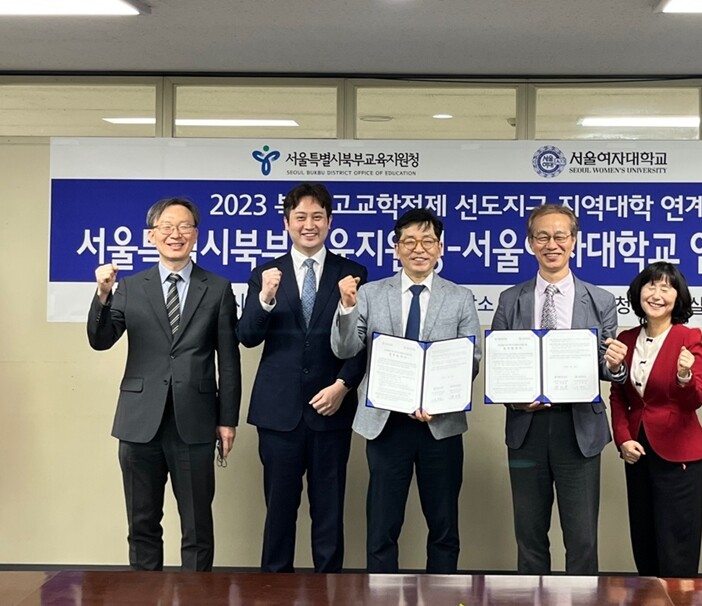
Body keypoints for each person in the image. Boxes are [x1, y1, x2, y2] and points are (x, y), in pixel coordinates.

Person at [87, 197, 241, 571]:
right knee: (142, 524)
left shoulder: (217, 288)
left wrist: (227, 420)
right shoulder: (130, 287)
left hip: (195, 420)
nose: (176, 234)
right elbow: (100, 339)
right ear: (151, 236)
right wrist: (103, 294)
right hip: (140, 422)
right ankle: (144, 594)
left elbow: (229, 361)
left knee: (198, 526)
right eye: (167, 227)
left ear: (196, 235)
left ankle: (197, 596)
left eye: (185, 226)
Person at [331, 208, 481, 574]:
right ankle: (380, 595)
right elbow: (345, 349)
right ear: (396, 248)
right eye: (409, 241)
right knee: (383, 524)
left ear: (440, 248)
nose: (419, 249)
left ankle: (443, 594)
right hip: (386, 423)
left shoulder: (460, 297)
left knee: (444, 525)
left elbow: (471, 359)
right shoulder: (369, 294)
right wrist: (347, 308)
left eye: (428, 241)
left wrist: (439, 399)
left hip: (440, 424)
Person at [236, 182, 368, 573]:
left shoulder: (352, 273)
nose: (309, 225)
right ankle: (272, 590)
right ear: (286, 222)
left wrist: (343, 386)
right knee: (279, 511)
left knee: (329, 511)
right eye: (300, 217)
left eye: (317, 217)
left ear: (330, 221)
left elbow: (364, 343)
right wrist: (265, 298)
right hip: (279, 412)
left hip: (331, 409)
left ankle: (330, 590)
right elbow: (247, 336)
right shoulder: (265, 274)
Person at [491, 204, 628, 575]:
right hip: (527, 428)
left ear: (574, 241)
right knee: (529, 534)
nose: (551, 244)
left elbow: (606, 367)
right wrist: (515, 398)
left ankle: (582, 600)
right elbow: (500, 365)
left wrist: (616, 365)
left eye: (560, 236)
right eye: (542, 237)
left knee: (582, 538)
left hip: (578, 429)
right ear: (530, 243)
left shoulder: (600, 300)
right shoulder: (510, 299)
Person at [610, 262, 702, 578]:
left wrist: (684, 375)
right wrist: (623, 438)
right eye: (650, 286)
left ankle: (680, 598)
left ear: (677, 297)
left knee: (676, 544)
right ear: (638, 292)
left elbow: (695, 400)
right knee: (645, 538)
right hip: (638, 451)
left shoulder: (688, 337)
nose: (656, 294)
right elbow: (619, 396)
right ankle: (648, 596)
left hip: (678, 454)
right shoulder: (626, 339)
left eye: (666, 288)